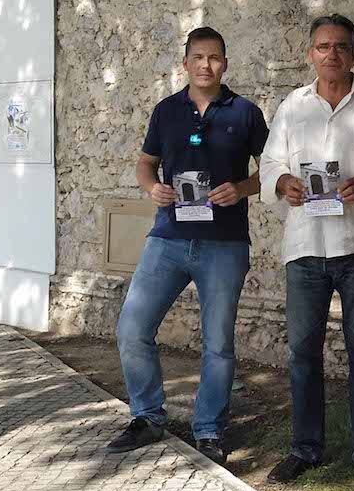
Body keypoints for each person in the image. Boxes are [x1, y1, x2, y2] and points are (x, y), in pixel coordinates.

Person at [107, 26, 268, 465]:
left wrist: (241, 188)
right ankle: (147, 416)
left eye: (214, 57)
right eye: (198, 57)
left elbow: (272, 169)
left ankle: (209, 429)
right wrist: (151, 188)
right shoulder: (166, 111)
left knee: (218, 344)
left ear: (225, 64)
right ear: (186, 63)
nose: (206, 65)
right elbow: (146, 164)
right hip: (168, 239)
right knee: (132, 329)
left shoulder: (245, 113)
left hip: (224, 245)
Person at [259, 14, 354, 485]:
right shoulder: (293, 105)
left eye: (341, 46)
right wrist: (283, 181)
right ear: (311, 54)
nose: (332, 54)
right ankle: (305, 448)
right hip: (305, 245)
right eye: (323, 46)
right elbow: (270, 162)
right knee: (303, 351)